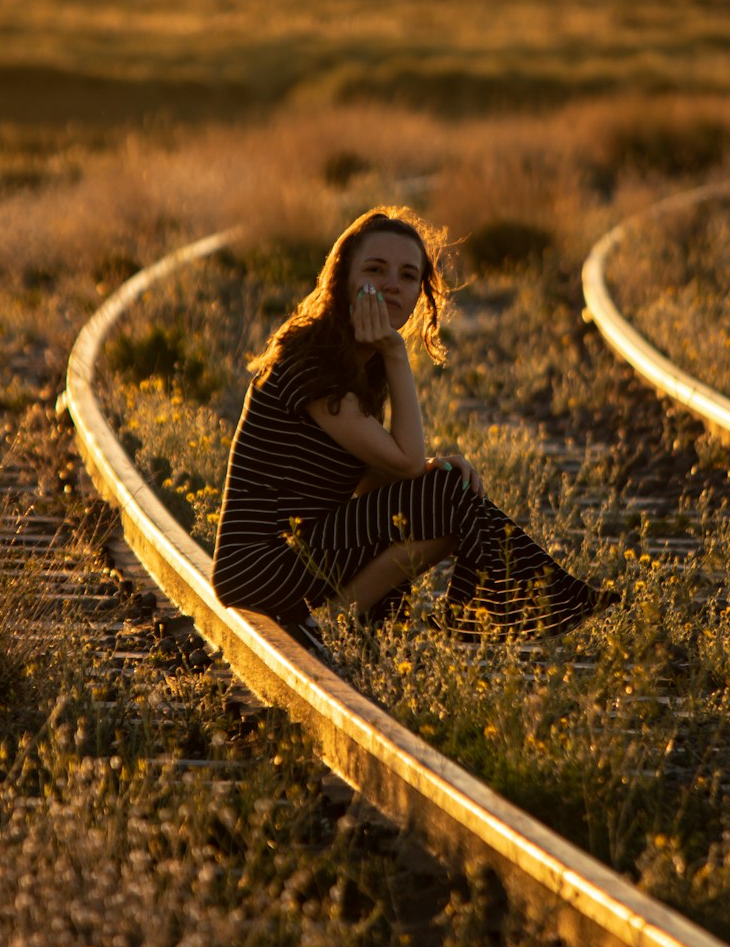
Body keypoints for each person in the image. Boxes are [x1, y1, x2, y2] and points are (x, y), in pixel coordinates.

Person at [211, 206, 603, 635]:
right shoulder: (313, 362)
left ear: (420, 291)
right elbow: (406, 464)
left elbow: (364, 482)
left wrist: (427, 473)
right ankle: (332, 625)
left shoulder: (358, 364)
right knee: (449, 497)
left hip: (300, 549)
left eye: (407, 276)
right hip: (260, 566)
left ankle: (531, 607)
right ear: (342, 280)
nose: (392, 286)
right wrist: (397, 355)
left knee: (449, 494)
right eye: (376, 270)